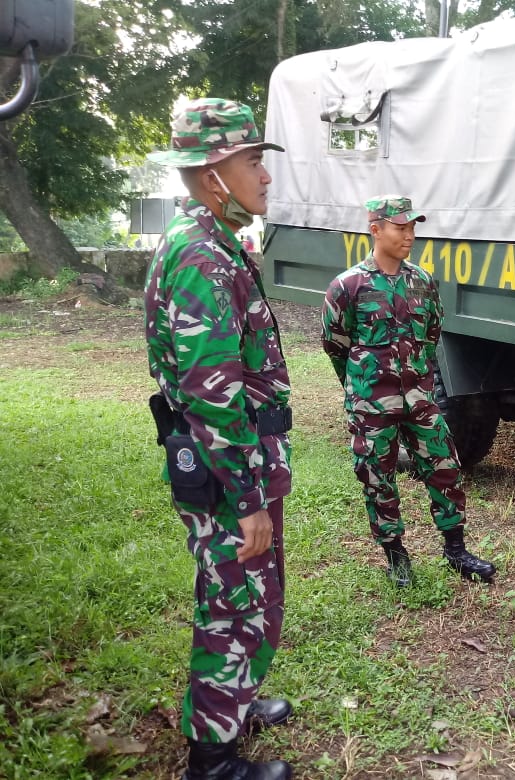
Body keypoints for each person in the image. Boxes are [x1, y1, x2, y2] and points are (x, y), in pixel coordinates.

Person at [144, 98, 294, 780]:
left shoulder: (215, 242)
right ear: (213, 177)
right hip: (229, 473)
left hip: (237, 464)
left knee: (243, 595)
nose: (265, 176)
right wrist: (249, 498)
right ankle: (212, 757)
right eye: (253, 162)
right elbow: (213, 392)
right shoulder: (202, 256)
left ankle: (232, 700)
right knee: (232, 602)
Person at [321, 195, 495, 588]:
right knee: (377, 478)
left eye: (413, 227)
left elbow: (431, 336)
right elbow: (336, 345)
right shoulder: (347, 286)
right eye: (401, 227)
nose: (410, 235)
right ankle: (397, 558)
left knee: (445, 468)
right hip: (371, 402)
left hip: (420, 399)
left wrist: (414, 378)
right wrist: (362, 386)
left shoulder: (422, 281)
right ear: (376, 229)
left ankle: (456, 551)